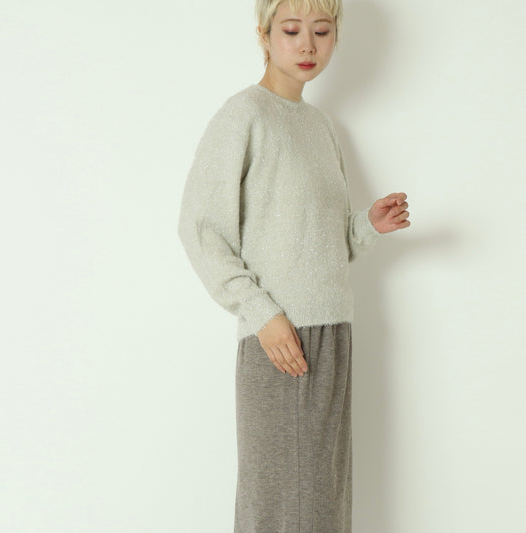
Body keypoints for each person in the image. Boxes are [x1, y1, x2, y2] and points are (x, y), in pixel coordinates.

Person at [177, 1, 410, 531]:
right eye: (291, 30)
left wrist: (367, 225)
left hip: (334, 334)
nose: (307, 44)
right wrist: (262, 314)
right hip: (281, 342)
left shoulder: (321, 127)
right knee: (283, 508)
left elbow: (317, 243)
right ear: (264, 35)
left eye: (321, 31)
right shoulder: (244, 115)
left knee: (324, 506)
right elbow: (201, 230)